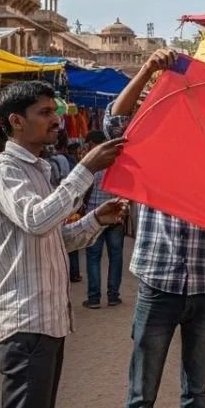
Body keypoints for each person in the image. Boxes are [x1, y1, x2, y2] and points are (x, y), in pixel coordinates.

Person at [0, 80, 126, 408]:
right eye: (44, 113)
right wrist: (86, 170)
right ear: (15, 121)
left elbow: (52, 239)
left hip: (46, 322)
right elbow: (38, 220)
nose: (56, 121)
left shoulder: (39, 170)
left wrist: (95, 220)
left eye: (53, 112)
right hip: (25, 323)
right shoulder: (4, 170)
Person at [109, 48, 205, 408]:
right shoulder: (151, 144)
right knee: (142, 394)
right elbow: (114, 122)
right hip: (157, 285)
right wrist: (147, 69)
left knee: (196, 392)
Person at [81, 130, 126, 309]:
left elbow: (83, 189)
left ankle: (94, 299)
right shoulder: (117, 160)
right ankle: (113, 296)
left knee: (93, 257)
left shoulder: (92, 162)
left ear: (93, 143)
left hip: (95, 216)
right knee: (116, 257)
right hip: (115, 215)